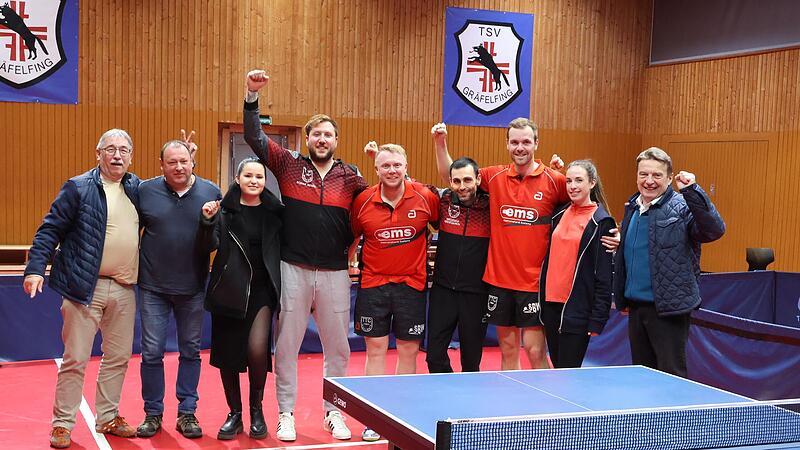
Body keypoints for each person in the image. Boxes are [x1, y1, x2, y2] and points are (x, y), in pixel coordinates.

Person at [243, 69, 367, 442]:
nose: (322, 139)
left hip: (334, 274)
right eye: (317, 134)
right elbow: (254, 137)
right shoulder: (289, 165)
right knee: (287, 348)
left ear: (336, 140)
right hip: (292, 269)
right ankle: (286, 413)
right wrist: (252, 95)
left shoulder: (352, 177)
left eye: (328, 134)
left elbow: (375, 207)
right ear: (308, 138)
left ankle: (336, 413)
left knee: (339, 350)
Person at [23, 129, 140, 448]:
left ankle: (108, 416)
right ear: (98, 153)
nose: (117, 155)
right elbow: (50, 229)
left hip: (125, 288)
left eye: (124, 150)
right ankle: (62, 424)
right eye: (111, 149)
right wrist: (36, 268)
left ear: (131, 156)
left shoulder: (138, 188)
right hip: (82, 288)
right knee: (75, 358)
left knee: (118, 357)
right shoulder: (77, 187)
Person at [433, 120, 568, 370]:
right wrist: (441, 143)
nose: (520, 147)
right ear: (507, 144)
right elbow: (452, 174)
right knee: (507, 349)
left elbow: (583, 199)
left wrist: (608, 231)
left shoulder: (554, 180)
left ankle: (549, 405)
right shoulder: (493, 176)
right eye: (515, 142)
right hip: (499, 281)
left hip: (534, 283)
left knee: (535, 350)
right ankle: (511, 407)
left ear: (536, 143)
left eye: (526, 142)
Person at [351, 143, 439, 441]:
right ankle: (374, 418)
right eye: (386, 166)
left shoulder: (425, 198)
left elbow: (446, 225)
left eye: (396, 165)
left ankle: (401, 416)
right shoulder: (363, 200)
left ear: (406, 166)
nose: (391, 170)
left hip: (411, 287)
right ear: (376, 169)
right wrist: (349, 262)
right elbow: (352, 235)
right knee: (375, 351)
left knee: (408, 351)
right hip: (373, 286)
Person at [135, 138, 221, 439]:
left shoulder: (211, 192)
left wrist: (209, 223)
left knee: (190, 352)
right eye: (171, 162)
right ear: (162, 166)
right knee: (151, 353)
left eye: (183, 160)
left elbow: (214, 244)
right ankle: (152, 413)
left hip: (193, 287)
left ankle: (187, 413)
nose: (179, 166)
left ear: (192, 161)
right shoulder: (144, 191)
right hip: (152, 288)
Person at [613, 147, 725, 377]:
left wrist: (693, 192)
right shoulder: (632, 207)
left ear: (669, 178)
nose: (649, 181)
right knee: (641, 375)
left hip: (669, 310)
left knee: (670, 376)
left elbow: (714, 230)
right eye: (644, 174)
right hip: (636, 309)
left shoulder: (682, 207)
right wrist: (621, 298)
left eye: (656, 175)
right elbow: (630, 254)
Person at [198, 157, 283, 440]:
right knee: (228, 355)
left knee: (257, 350)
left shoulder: (275, 213)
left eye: (259, 176)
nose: (254, 181)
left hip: (261, 292)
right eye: (248, 175)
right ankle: (234, 413)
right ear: (238, 179)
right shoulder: (224, 211)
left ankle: (256, 410)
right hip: (229, 291)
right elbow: (207, 246)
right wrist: (207, 221)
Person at [539, 160, 615, 368]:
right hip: (551, 306)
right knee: (557, 367)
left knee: (568, 371)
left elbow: (604, 275)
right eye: (569, 181)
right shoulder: (559, 214)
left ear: (592, 183)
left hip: (577, 308)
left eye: (579, 180)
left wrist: (598, 316)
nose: (572, 186)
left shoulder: (602, 221)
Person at [425, 155, 490, 373]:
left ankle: (466, 402)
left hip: (476, 294)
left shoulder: (492, 208)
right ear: (450, 182)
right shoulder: (443, 202)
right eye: (456, 181)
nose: (462, 187)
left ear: (478, 179)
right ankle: (446, 394)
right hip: (443, 292)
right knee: (433, 356)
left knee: (471, 362)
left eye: (467, 180)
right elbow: (403, 181)